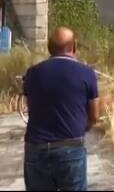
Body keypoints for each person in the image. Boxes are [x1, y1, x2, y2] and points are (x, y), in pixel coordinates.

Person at [22, 27, 101, 191]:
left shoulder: (32, 73)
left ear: (50, 48)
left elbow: (31, 110)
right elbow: (94, 116)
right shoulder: (86, 73)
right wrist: (81, 128)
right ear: (74, 47)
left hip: (36, 149)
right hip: (70, 148)